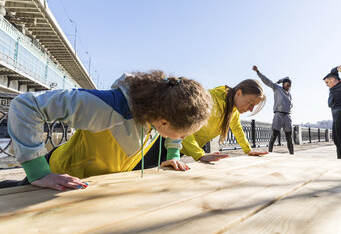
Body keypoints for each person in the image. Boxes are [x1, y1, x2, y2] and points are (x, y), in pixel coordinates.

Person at [4, 70, 213, 191]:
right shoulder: (107, 107)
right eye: (185, 134)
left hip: (89, 185)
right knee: (12, 195)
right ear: (164, 122)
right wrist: (39, 172)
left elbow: (173, 137)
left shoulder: (158, 110)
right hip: (59, 175)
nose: (185, 138)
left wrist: (173, 155)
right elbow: (25, 105)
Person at [141, 75, 269, 168]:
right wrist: (199, 154)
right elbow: (185, 123)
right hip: (164, 139)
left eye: (254, 106)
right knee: (141, 170)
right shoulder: (211, 99)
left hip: (180, 147)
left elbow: (237, 130)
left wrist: (248, 150)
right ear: (239, 93)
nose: (251, 109)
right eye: (250, 103)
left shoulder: (233, 110)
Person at [253, 66, 294, 154]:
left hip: (287, 116)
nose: (288, 87)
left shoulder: (289, 94)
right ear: (283, 84)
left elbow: (290, 104)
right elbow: (267, 81)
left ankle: (292, 154)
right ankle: (270, 153)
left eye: (289, 86)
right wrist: (258, 72)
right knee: (274, 135)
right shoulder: (277, 88)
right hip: (278, 115)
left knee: (289, 137)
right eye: (287, 85)